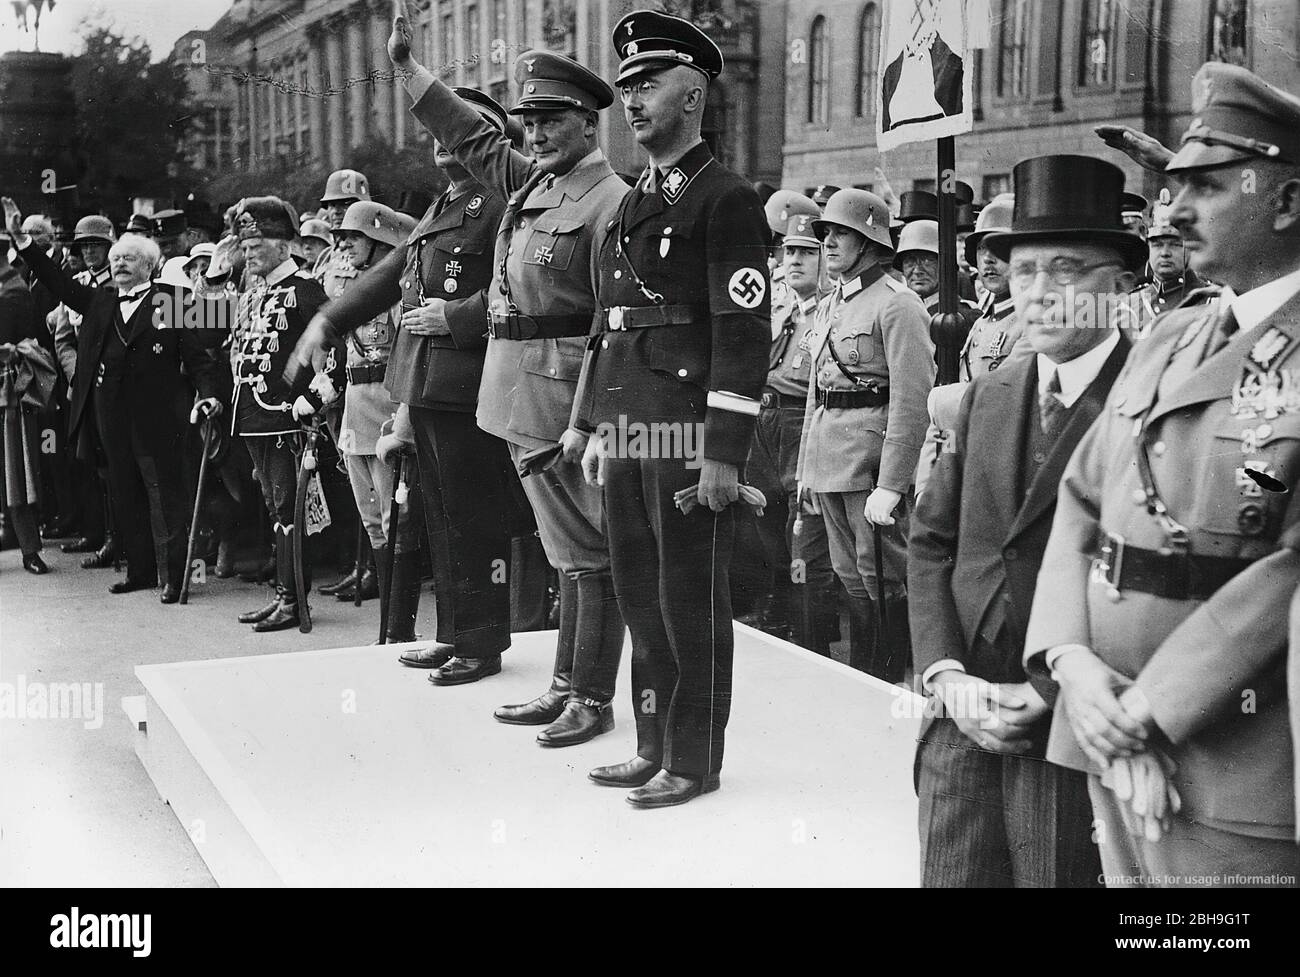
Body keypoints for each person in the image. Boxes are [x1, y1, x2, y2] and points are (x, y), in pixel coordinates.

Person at [1024, 63, 1300, 886]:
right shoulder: (1173, 335)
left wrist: (1148, 713)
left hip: (1234, 767)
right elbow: (1081, 499)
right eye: (1173, 186)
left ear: (1287, 201)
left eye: (1206, 188)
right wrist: (1070, 662)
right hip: (1105, 732)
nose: (1172, 212)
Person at [375, 15, 628, 731]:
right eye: (530, 121)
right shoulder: (534, 183)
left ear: (587, 124)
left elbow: (613, 326)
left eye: (552, 121)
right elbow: (473, 136)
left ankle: (591, 697)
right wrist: (409, 72)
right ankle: (566, 684)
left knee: (589, 553)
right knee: (564, 549)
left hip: (563, 394)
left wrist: (592, 418)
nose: (537, 134)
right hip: (519, 393)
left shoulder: (610, 203)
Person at [909, 152, 1140, 887]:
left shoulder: (1149, 402)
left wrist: (1047, 690)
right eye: (1024, 269)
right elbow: (932, 543)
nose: (1039, 292)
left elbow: (1152, 584)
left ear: (1121, 287)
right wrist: (946, 674)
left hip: (1070, 727)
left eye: (1066, 269)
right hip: (961, 715)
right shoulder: (989, 393)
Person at [573, 10, 770, 806]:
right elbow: (611, 325)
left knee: (689, 602)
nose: (631, 100)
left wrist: (723, 450)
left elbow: (741, 330)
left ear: (693, 94)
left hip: (687, 431)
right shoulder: (632, 202)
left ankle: (693, 758)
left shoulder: (725, 201)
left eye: (647, 83)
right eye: (624, 87)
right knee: (639, 597)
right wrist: (595, 425)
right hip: (630, 424)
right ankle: (651, 740)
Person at [298, 88, 517, 670]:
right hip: (424, 384)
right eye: (439, 134)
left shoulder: (504, 201)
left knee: (472, 517)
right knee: (441, 516)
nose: (444, 144)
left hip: (470, 383)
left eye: (459, 130)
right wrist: (329, 320)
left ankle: (482, 640)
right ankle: (454, 632)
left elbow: (518, 289)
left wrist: (458, 316)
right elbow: (393, 273)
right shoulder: (446, 203)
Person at [5, 199, 223, 602]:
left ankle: (174, 576)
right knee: (124, 493)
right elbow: (55, 280)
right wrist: (22, 241)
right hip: (110, 416)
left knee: (164, 497)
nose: (120, 263)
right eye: (117, 257)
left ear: (150, 265)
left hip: (159, 417)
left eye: (130, 258)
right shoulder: (101, 300)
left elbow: (200, 358)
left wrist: (209, 396)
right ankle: (139, 571)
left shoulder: (170, 300)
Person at [795, 189, 935, 682]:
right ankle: (866, 673)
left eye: (840, 234)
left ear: (871, 241)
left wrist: (893, 483)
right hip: (830, 457)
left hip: (872, 463)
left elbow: (913, 399)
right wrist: (804, 470)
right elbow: (818, 389)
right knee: (848, 573)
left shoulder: (899, 305)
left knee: (882, 575)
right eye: (827, 234)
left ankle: (893, 677)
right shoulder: (834, 302)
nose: (828, 243)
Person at [230, 196, 338, 632]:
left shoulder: (307, 291)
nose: (249, 251)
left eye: (258, 243)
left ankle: (293, 599)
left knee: (290, 508)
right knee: (277, 508)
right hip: (253, 415)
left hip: (283, 417)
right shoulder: (253, 291)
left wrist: (312, 400)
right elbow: (202, 322)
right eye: (246, 244)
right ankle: (282, 596)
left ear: (284, 245)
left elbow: (337, 355)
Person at [319, 200, 423, 640]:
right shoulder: (354, 291)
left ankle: (400, 626)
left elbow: (409, 354)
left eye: (354, 238)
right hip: (355, 406)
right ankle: (388, 624)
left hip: (387, 404)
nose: (345, 245)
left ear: (380, 241)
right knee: (370, 518)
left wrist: (403, 416)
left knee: (392, 517)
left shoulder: (400, 291)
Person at [747, 208, 838, 654]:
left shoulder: (831, 311)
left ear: (826, 259)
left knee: (799, 528)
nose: (794, 260)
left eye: (807, 252)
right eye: (789, 251)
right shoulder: (778, 305)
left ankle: (805, 628)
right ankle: (778, 608)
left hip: (800, 419)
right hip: (763, 420)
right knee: (765, 518)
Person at [0, 227, 47, 574]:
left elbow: (24, 342)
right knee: (16, 470)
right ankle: (27, 547)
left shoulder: (12, 292)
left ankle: (30, 548)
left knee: (17, 470)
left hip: (9, 391)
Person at [1131, 189, 1209, 329]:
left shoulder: (1211, 300)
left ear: (1189, 248)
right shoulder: (1130, 304)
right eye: (1157, 245)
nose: (1165, 253)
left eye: (1175, 245)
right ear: (1148, 246)